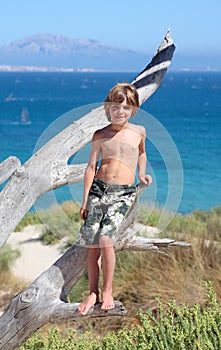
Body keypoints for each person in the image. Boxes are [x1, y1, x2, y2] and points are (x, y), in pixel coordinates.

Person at [77, 82, 152, 315]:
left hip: (123, 194)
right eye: (116, 108)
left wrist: (141, 174)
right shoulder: (100, 135)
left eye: (126, 108)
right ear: (108, 109)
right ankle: (92, 292)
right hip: (99, 190)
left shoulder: (139, 132)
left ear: (134, 110)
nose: (121, 112)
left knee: (106, 239)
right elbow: (91, 167)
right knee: (92, 247)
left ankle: (107, 289)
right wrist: (85, 199)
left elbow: (141, 152)